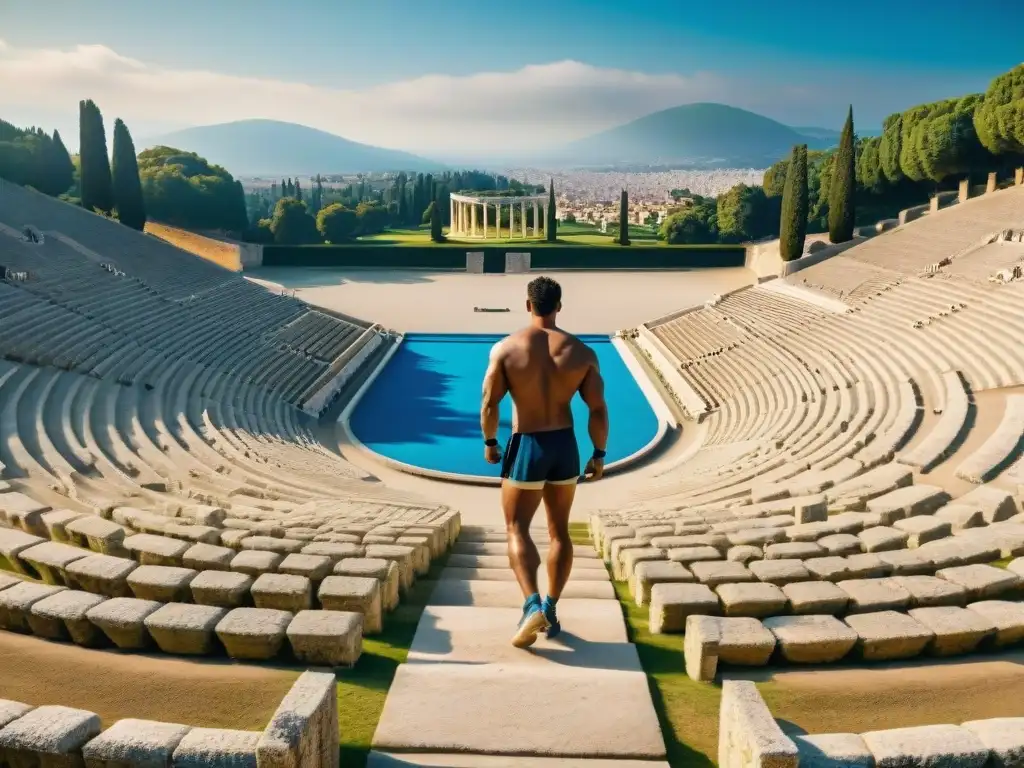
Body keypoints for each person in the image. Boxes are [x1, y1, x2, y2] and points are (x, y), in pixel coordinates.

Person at [480, 276, 609, 648]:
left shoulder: (506, 350)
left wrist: (490, 442)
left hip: (528, 443)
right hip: (564, 446)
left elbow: (490, 404)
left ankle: (531, 604)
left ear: (527, 304)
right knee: (559, 532)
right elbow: (597, 409)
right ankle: (551, 608)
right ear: (559, 306)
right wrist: (598, 454)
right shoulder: (582, 353)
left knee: (516, 528)